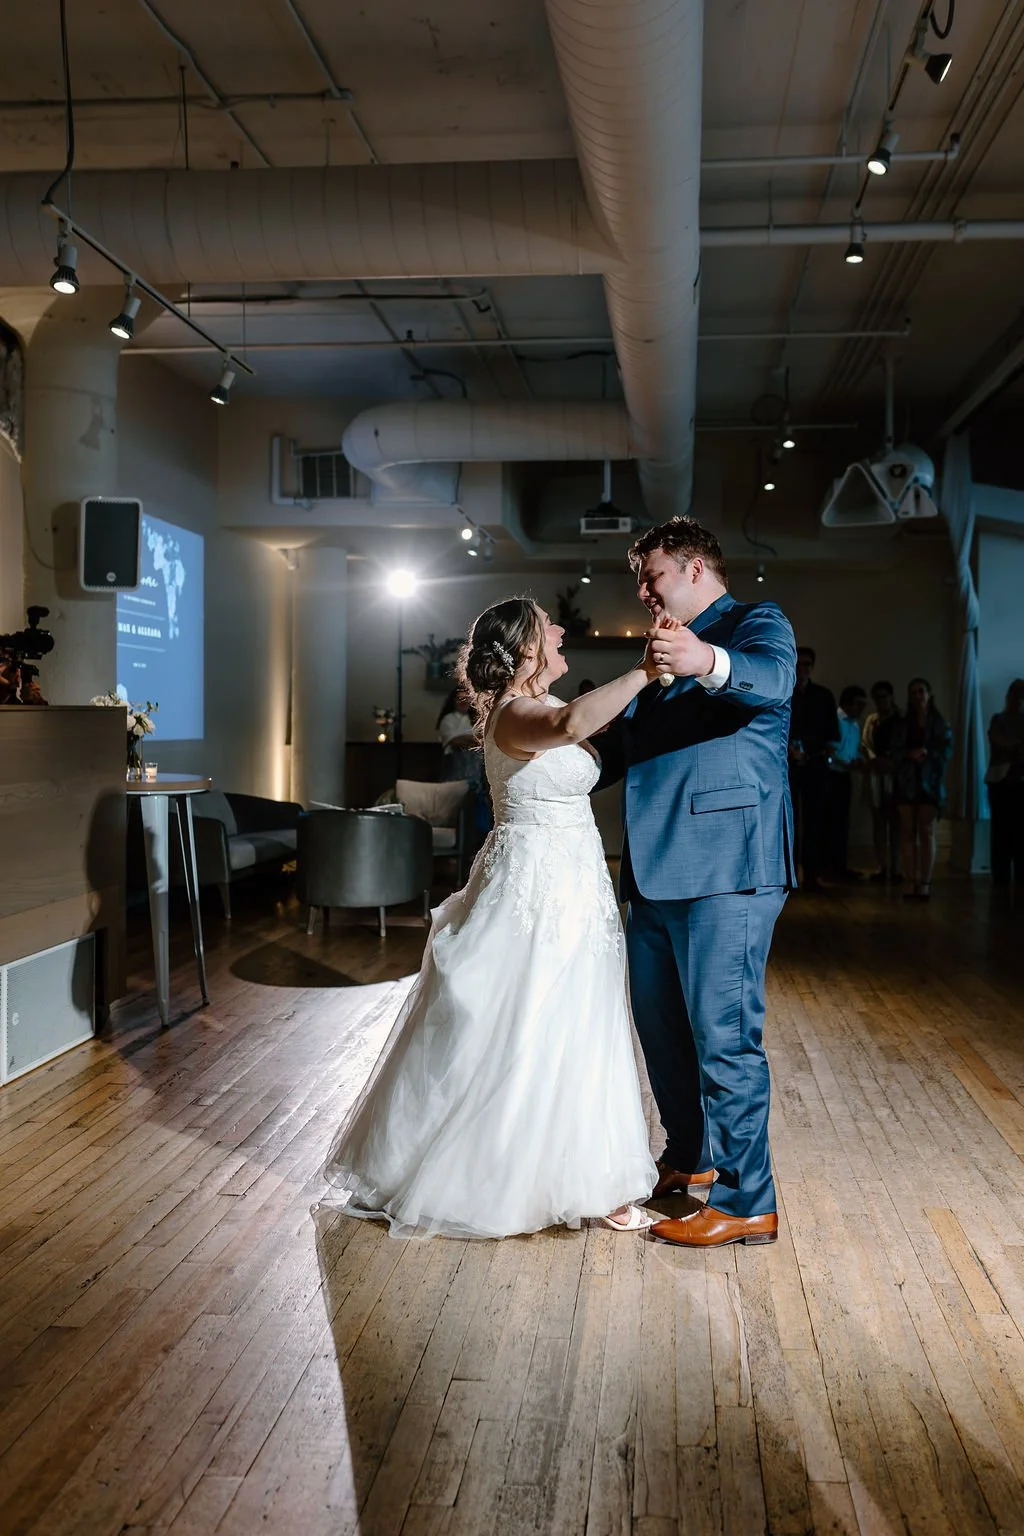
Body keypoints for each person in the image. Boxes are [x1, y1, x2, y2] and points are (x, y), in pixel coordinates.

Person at [320, 598, 661, 1238]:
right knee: (529, 1023)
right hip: (535, 893)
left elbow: (585, 738)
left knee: (577, 1025)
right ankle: (501, 1180)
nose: (561, 630)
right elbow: (570, 723)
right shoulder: (515, 712)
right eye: (548, 625)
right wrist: (643, 669)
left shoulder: (534, 706)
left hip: (572, 886)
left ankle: (586, 1177)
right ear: (527, 648)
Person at [596, 517, 796, 1249]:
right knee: (662, 1032)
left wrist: (706, 659)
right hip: (652, 873)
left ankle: (747, 1202)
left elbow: (771, 681)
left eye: (650, 576)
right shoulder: (656, 655)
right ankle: (690, 1156)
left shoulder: (754, 624)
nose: (643, 592)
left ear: (693, 568)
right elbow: (622, 747)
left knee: (725, 1038)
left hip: (727, 868)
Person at [890, 678, 953, 901]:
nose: (918, 696)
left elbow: (946, 751)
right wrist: (909, 754)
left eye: (921, 691)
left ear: (928, 694)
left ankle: (925, 881)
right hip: (906, 781)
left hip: (930, 783)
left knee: (926, 831)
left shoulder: (940, 723)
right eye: (913, 692)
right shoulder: (902, 723)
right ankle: (910, 879)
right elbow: (894, 751)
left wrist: (927, 753)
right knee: (908, 831)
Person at [788, 646, 839, 892]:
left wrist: (817, 752)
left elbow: (832, 734)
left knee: (815, 821)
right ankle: (790, 876)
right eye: (799, 664)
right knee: (789, 822)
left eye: (807, 664)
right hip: (788, 766)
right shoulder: (785, 692)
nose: (803, 669)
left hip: (815, 765)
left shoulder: (823, 696)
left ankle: (811, 875)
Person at [824, 685, 867, 879]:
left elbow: (851, 750)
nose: (862, 709)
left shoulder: (855, 724)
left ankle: (839, 866)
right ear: (848, 703)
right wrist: (850, 762)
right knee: (831, 823)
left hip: (844, 776)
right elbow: (830, 750)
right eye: (859, 704)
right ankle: (828, 868)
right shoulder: (835, 720)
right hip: (831, 776)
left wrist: (859, 760)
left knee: (842, 822)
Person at [861, 680, 902, 882]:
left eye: (884, 697)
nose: (880, 701)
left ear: (891, 697)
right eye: (876, 698)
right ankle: (882, 866)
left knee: (896, 823)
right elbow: (865, 743)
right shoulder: (872, 720)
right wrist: (874, 759)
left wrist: (893, 761)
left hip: (895, 774)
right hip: (876, 772)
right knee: (878, 822)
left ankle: (896, 867)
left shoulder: (901, 719)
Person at [986, 678, 1024, 886]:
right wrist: (1016, 745)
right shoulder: (999, 719)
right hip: (1001, 782)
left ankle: (1010, 874)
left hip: (1011, 781)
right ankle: (1002, 874)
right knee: (1002, 830)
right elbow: (997, 739)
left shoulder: (1000, 720)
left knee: (1012, 830)